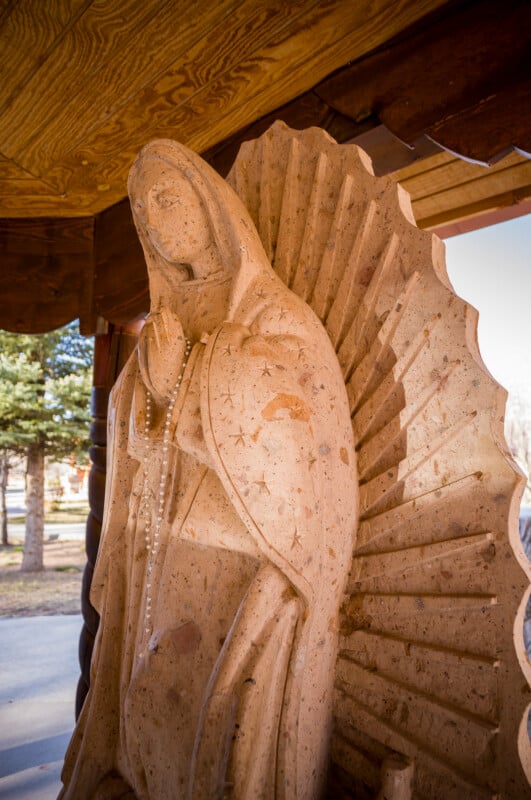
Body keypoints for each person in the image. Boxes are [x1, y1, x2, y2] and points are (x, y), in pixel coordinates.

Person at [59, 139, 358, 800]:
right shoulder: (172, 311)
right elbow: (137, 435)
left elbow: (296, 434)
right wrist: (149, 397)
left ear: (213, 208)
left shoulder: (273, 313)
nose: (156, 223)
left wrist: (183, 388)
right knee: (151, 698)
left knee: (209, 719)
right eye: (142, 212)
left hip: (240, 559)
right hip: (166, 551)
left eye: (168, 200)